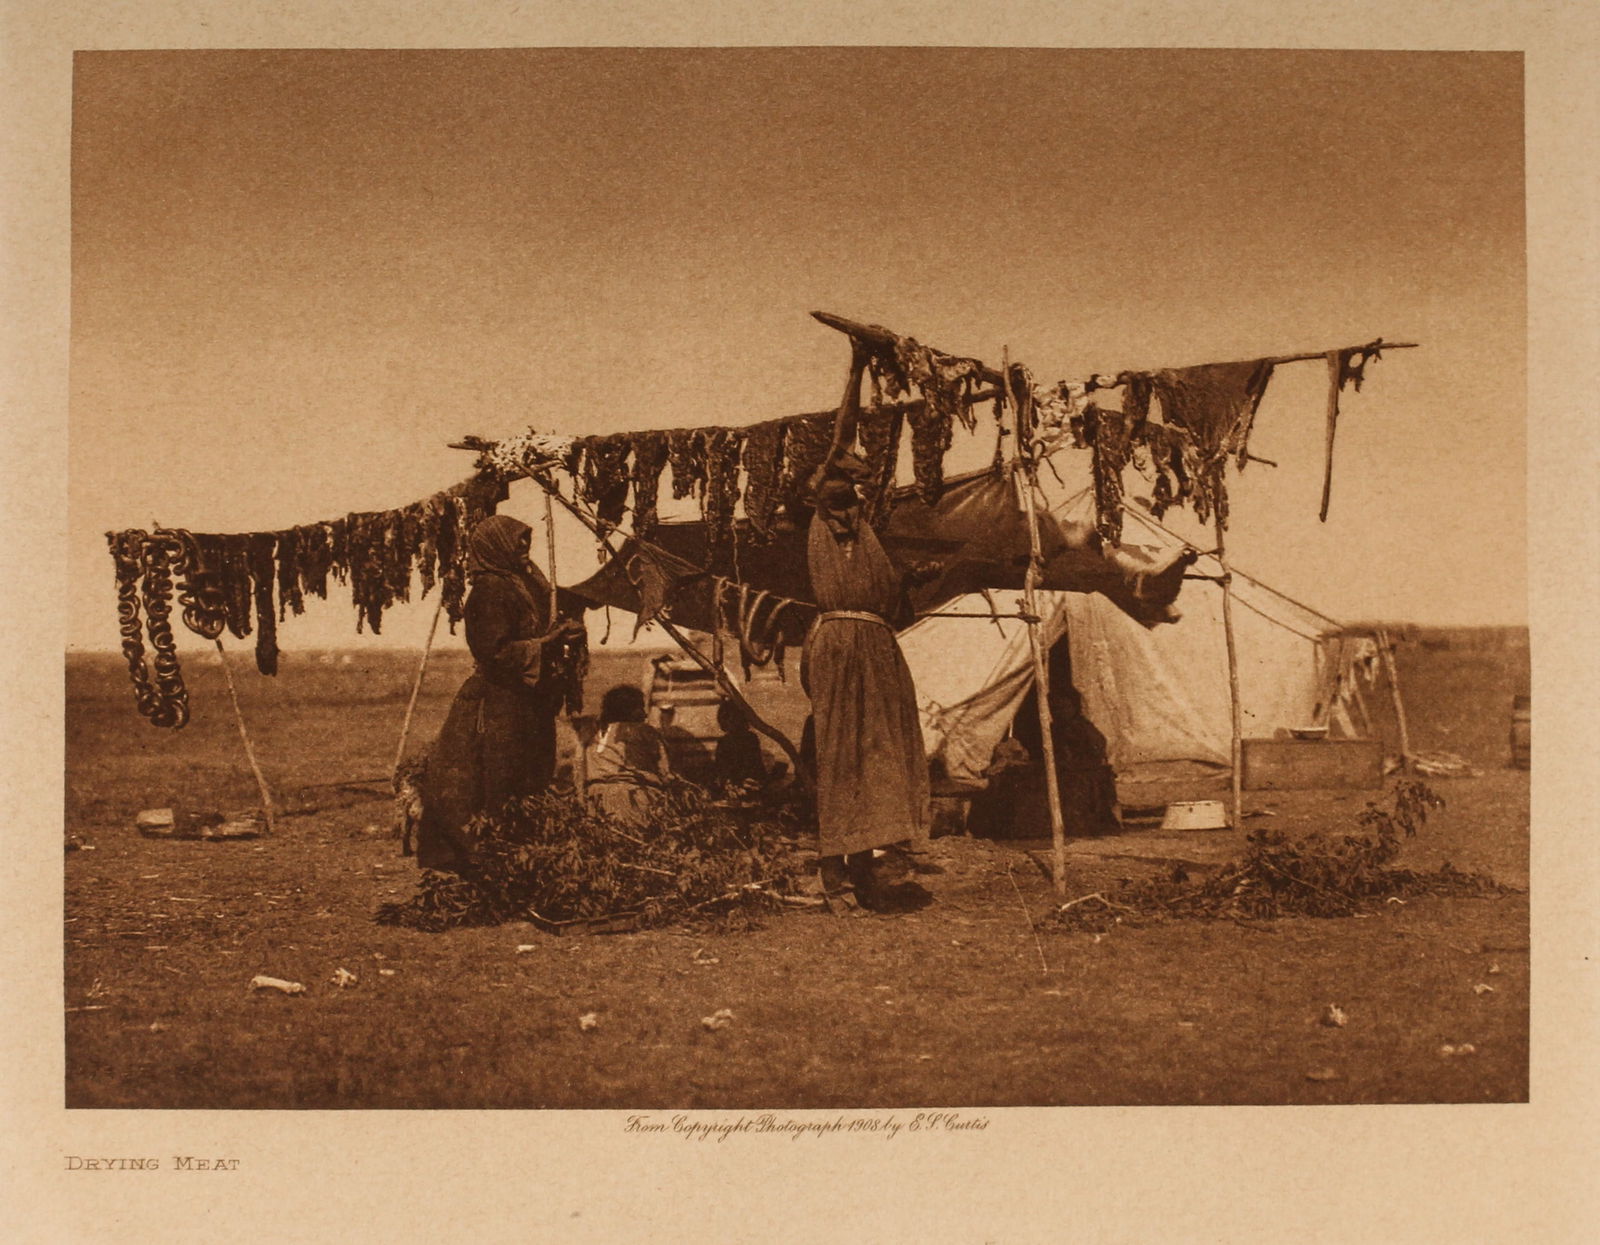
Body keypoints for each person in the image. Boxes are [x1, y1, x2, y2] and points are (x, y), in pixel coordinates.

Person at [416, 514, 583, 873]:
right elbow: (493, 652)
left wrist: (562, 633)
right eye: (517, 540)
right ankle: (492, 857)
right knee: (500, 777)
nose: (525, 547)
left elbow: (540, 629)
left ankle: (526, 853)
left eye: (527, 539)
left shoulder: (527, 583)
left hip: (530, 698)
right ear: (496, 546)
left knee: (533, 772)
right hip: (500, 700)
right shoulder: (490, 589)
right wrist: (546, 644)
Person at [586, 684, 672, 824]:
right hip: (635, 799)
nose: (644, 714)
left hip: (598, 802)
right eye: (640, 708)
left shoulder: (596, 735)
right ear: (628, 710)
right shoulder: (646, 732)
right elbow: (665, 772)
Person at [714, 698, 769, 789]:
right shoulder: (751, 738)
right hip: (740, 783)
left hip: (743, 782)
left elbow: (756, 765)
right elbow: (722, 770)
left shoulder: (749, 739)